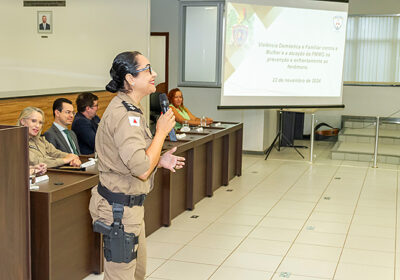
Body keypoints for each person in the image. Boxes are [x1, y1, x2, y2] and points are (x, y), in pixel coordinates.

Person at [89, 51, 185, 280]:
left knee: (137, 273)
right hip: (118, 210)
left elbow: (134, 159)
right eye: (148, 70)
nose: (155, 74)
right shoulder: (125, 114)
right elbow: (141, 169)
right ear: (130, 79)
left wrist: (158, 161)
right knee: (121, 276)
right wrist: (161, 132)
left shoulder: (132, 109)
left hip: (129, 207)